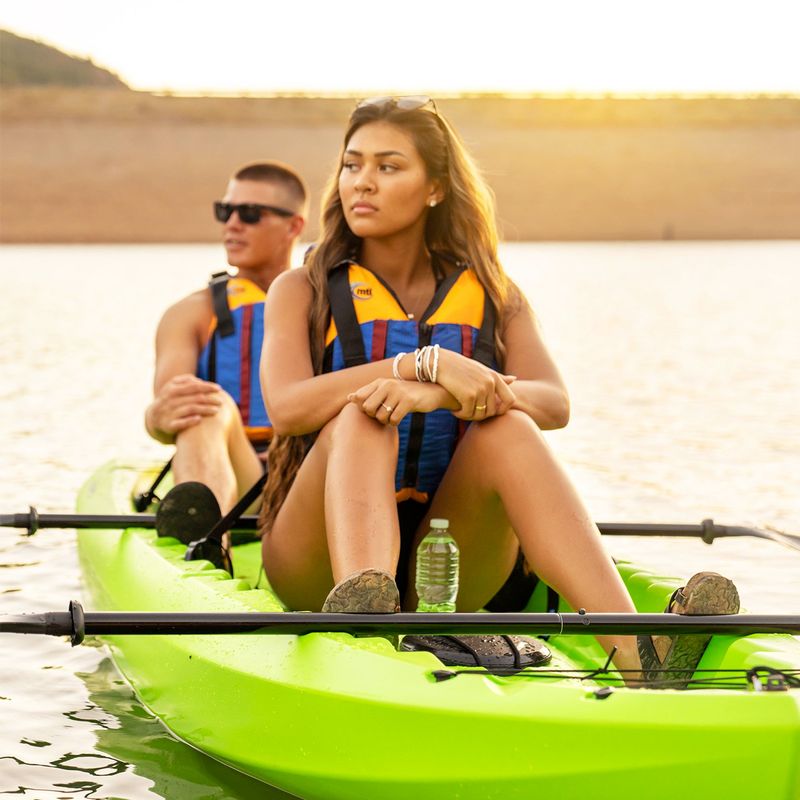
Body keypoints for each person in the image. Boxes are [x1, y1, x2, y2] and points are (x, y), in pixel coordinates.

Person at [257, 98, 738, 681]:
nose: (363, 182)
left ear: (435, 187)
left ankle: (639, 653)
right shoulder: (299, 287)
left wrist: (446, 392)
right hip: (314, 559)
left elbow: (554, 403)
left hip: (452, 559)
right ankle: (368, 622)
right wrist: (417, 366)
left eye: (388, 167)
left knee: (509, 425)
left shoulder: (494, 293)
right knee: (363, 414)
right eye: (352, 165)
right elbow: (285, 409)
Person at [145, 161, 307, 536]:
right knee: (202, 404)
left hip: (309, 483)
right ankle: (208, 546)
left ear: (294, 226)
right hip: (241, 478)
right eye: (225, 211)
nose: (232, 223)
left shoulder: (332, 306)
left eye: (250, 213)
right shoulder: (189, 314)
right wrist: (155, 418)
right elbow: (170, 411)